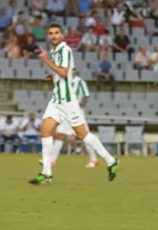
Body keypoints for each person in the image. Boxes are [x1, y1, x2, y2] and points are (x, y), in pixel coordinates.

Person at [28, 23, 118, 184]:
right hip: (56, 100)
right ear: (48, 36)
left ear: (61, 35)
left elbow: (63, 72)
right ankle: (46, 173)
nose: (54, 36)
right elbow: (62, 73)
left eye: (56, 33)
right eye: (51, 33)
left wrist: (46, 60)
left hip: (68, 102)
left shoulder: (64, 50)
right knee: (45, 132)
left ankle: (110, 160)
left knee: (84, 136)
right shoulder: (56, 51)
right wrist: (52, 75)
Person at [47, 68, 101, 169]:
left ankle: (93, 159)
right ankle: (51, 161)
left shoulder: (80, 82)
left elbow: (85, 96)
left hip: (77, 114)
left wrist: (79, 105)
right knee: (60, 135)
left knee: (85, 137)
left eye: (73, 70)